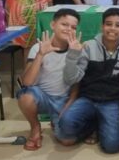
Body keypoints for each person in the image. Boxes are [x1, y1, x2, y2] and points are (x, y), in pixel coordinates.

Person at [57, 8, 119, 153]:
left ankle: (104, 126)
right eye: (108, 24)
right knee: (65, 126)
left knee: (112, 146)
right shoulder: (88, 46)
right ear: (101, 26)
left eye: (118, 25)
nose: (112, 28)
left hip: (114, 101)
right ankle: (92, 125)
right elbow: (70, 79)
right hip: (87, 99)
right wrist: (73, 55)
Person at [16, 8, 82, 151]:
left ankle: (56, 120)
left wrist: (68, 105)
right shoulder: (38, 48)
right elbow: (26, 83)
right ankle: (35, 128)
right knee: (25, 97)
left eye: (73, 27)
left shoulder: (76, 49)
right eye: (64, 24)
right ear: (53, 25)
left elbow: (76, 85)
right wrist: (40, 55)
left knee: (67, 141)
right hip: (41, 96)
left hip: (63, 99)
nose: (68, 29)